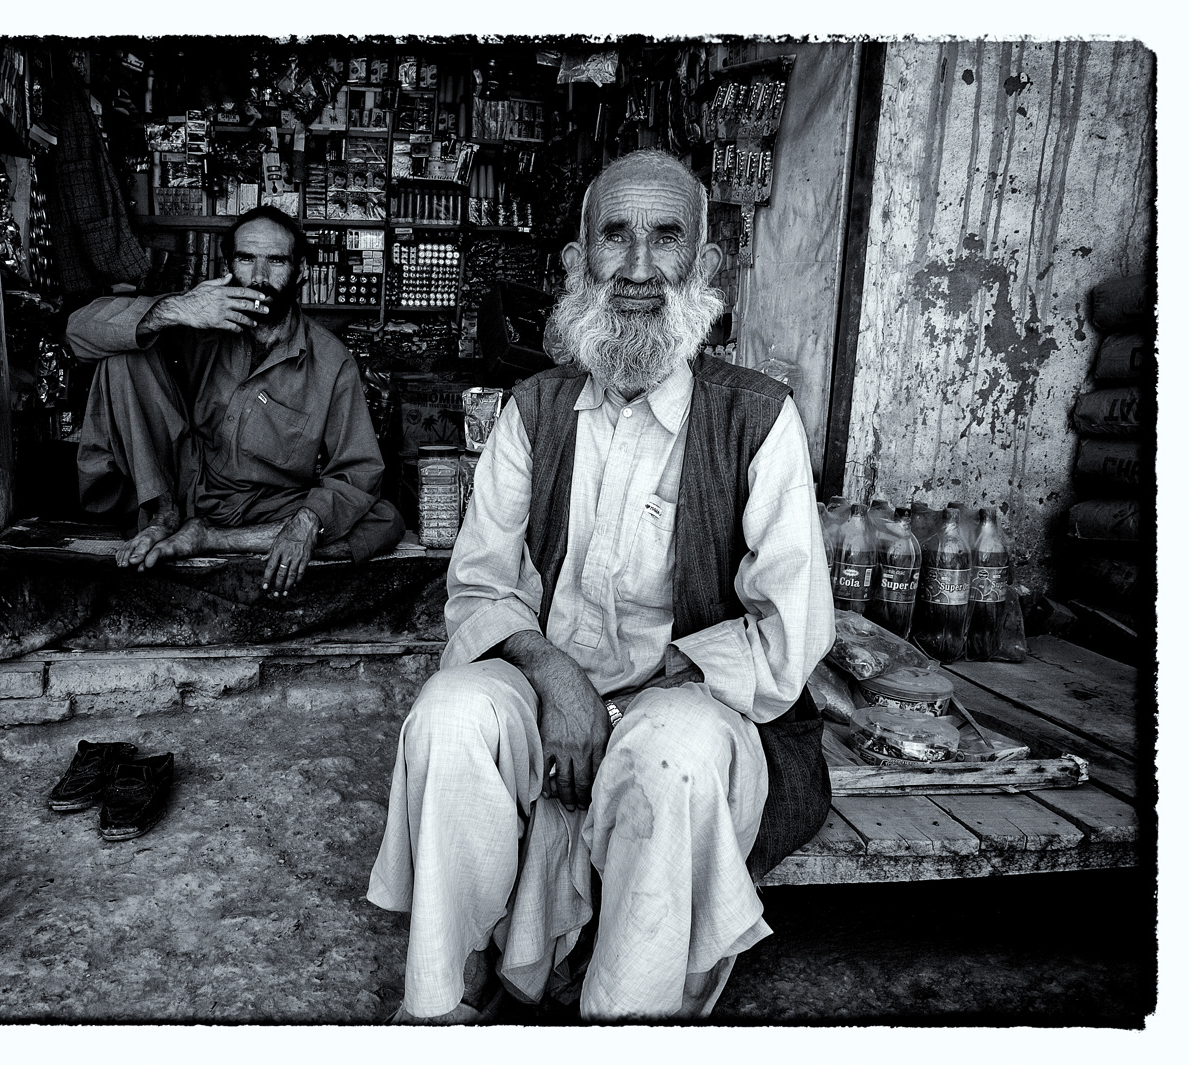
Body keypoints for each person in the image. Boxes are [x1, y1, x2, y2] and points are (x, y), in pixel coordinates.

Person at [366, 149, 836, 1022]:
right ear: (578, 259)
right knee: (449, 712)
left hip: (694, 697)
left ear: (704, 261)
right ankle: (438, 1004)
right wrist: (558, 679)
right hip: (554, 680)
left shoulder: (758, 417)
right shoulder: (534, 408)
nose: (638, 267)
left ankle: (626, 1017)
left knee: (672, 754)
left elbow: (787, 630)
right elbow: (478, 582)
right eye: (613, 236)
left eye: (667, 237)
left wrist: (628, 704)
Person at [65, 205, 404, 598]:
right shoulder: (196, 323)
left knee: (383, 519)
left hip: (261, 509)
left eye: (276, 261)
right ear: (228, 266)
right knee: (124, 348)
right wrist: (178, 308)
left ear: (302, 271)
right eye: (246, 259)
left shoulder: (331, 362)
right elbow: (79, 332)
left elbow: (359, 471)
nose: (259, 277)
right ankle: (165, 517)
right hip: (176, 485)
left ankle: (210, 538)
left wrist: (307, 523)